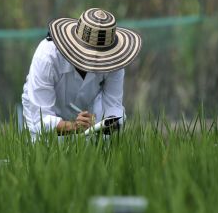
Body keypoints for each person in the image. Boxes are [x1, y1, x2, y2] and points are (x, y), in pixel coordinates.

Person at [21, 8, 142, 138]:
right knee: (42, 152)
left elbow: (113, 106)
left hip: (88, 115)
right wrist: (74, 126)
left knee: (96, 153)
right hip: (46, 114)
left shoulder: (115, 62)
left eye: (101, 56)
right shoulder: (47, 56)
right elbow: (40, 119)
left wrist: (106, 125)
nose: (94, 60)